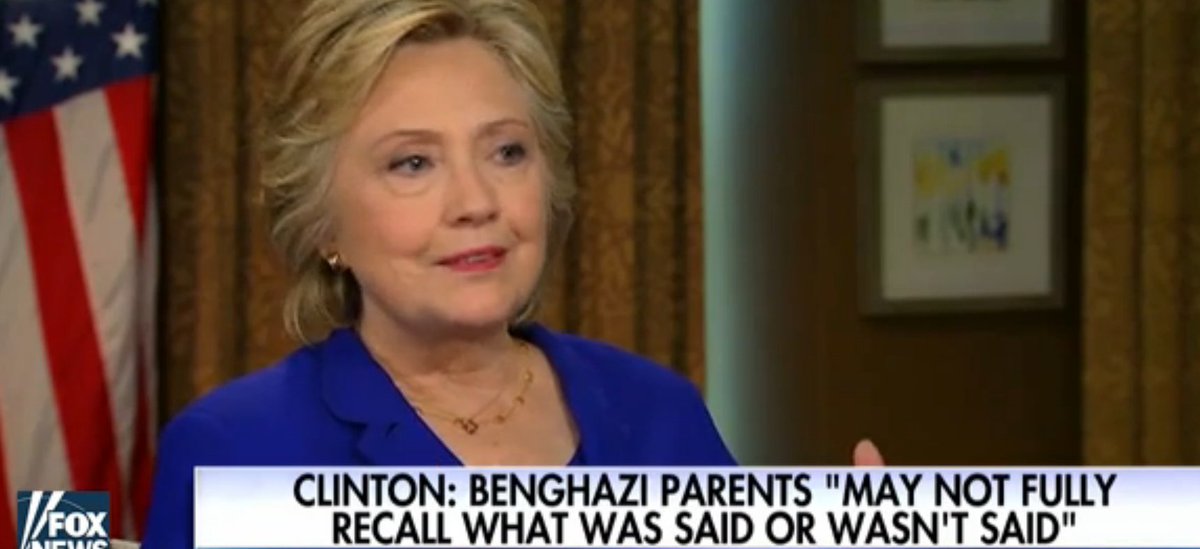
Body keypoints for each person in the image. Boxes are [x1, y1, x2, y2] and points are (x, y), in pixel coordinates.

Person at [142, 0, 882, 545]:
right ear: (323, 222)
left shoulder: (660, 412)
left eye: (506, 152)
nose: (476, 202)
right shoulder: (233, 451)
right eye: (413, 163)